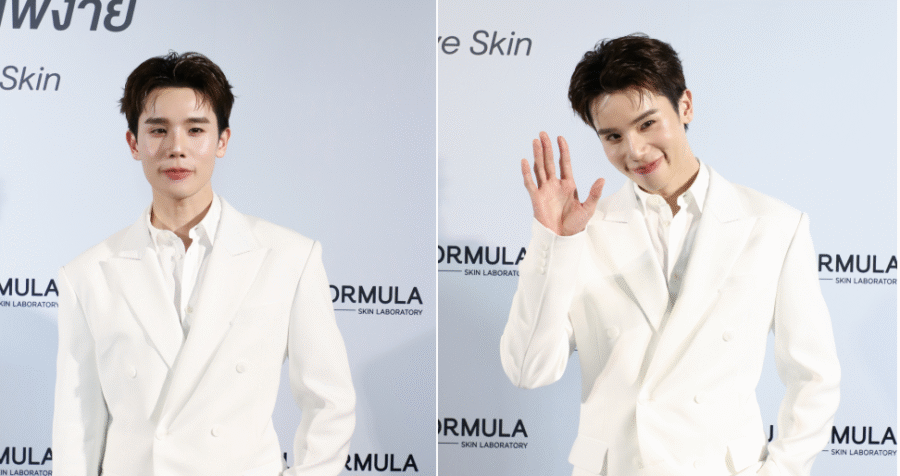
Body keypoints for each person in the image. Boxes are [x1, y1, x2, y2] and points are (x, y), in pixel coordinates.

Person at [500, 34, 839, 476]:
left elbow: (815, 379)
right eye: (613, 136)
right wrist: (554, 241)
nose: (634, 151)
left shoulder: (774, 225)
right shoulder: (584, 232)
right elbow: (528, 370)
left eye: (647, 124)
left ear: (685, 106)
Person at [52, 52, 355, 476]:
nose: (176, 148)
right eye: (158, 130)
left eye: (195, 130)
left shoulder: (289, 258)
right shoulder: (87, 274)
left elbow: (330, 403)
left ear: (222, 140)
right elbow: (76, 426)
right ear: (134, 143)